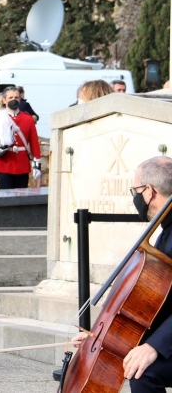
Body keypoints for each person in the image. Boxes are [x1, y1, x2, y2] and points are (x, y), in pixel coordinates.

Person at [70, 156, 172, 392]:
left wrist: (153, 347)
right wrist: (103, 341)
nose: (135, 197)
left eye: (135, 190)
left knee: (143, 372)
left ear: (149, 191)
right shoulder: (165, 230)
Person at [0, 86, 41, 189]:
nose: (14, 100)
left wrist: (37, 165)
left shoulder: (28, 119)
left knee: (21, 200)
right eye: (10, 97)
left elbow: (34, 143)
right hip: (4, 164)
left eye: (16, 97)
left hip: (21, 164)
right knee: (5, 199)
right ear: (4, 100)